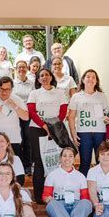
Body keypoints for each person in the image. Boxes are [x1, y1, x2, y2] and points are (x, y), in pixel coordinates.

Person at [27, 68, 67, 203]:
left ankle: (55, 193)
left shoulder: (60, 93)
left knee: (55, 160)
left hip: (56, 130)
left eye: (47, 75)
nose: (44, 77)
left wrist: (54, 126)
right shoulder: (34, 93)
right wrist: (44, 126)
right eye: (41, 75)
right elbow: (31, 112)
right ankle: (39, 197)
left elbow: (63, 111)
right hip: (37, 129)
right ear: (38, 79)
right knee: (39, 162)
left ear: (51, 77)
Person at [68, 69, 109, 177]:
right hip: (83, 134)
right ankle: (83, 191)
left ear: (96, 81)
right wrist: (73, 133)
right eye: (88, 76)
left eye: (93, 77)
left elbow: (107, 113)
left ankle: (100, 189)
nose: (91, 79)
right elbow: (71, 117)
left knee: (101, 162)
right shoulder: (76, 97)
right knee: (85, 163)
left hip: (100, 133)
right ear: (83, 80)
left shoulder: (101, 96)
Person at [43, 147, 92, 217]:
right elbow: (45, 195)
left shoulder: (80, 176)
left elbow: (85, 197)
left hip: (76, 206)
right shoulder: (52, 175)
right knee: (52, 203)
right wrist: (47, 198)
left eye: (70, 156)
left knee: (87, 203)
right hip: (59, 206)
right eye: (64, 156)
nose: (67, 158)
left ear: (74, 159)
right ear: (60, 158)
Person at [12, 60, 35, 174]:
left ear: (27, 69)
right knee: (17, 140)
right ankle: (17, 164)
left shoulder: (31, 83)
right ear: (16, 69)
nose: (21, 69)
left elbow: (34, 98)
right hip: (14, 115)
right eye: (19, 67)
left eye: (24, 67)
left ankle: (27, 165)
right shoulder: (12, 83)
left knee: (27, 139)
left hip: (27, 115)